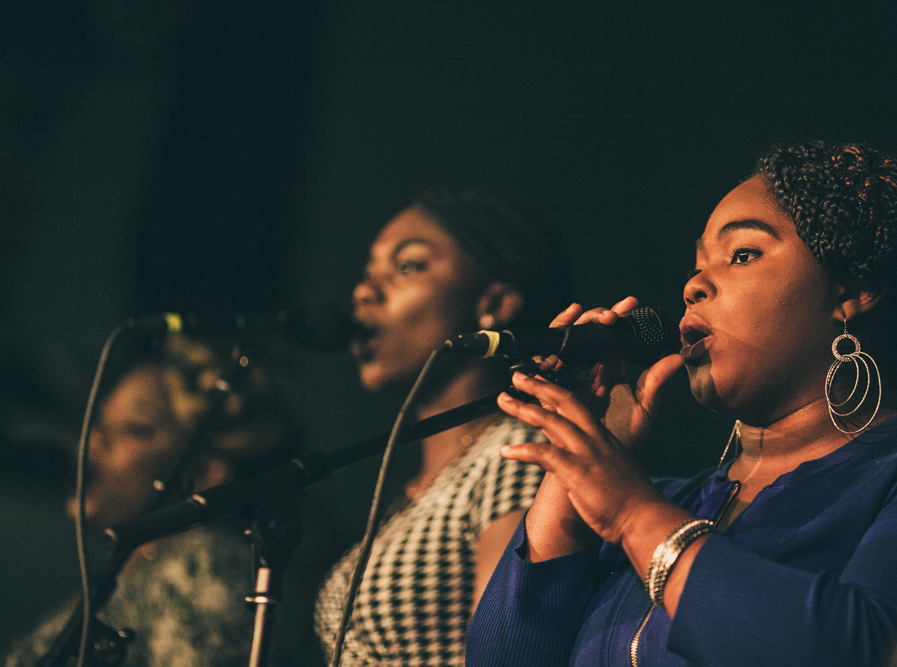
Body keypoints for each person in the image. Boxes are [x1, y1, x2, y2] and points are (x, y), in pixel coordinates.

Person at [466, 140, 897, 666]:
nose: (693, 285)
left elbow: (870, 648)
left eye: (742, 255)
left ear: (850, 288)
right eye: (695, 265)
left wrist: (632, 515)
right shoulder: (675, 499)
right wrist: (578, 461)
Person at [313, 189, 574, 665]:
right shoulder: (415, 491)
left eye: (408, 266)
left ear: (494, 303)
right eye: (368, 273)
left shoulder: (518, 450)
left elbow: (508, 649)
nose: (364, 291)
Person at [4, 333, 303, 667]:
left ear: (203, 474)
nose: (92, 441)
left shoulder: (206, 566)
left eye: (133, 428)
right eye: (98, 422)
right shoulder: (137, 575)